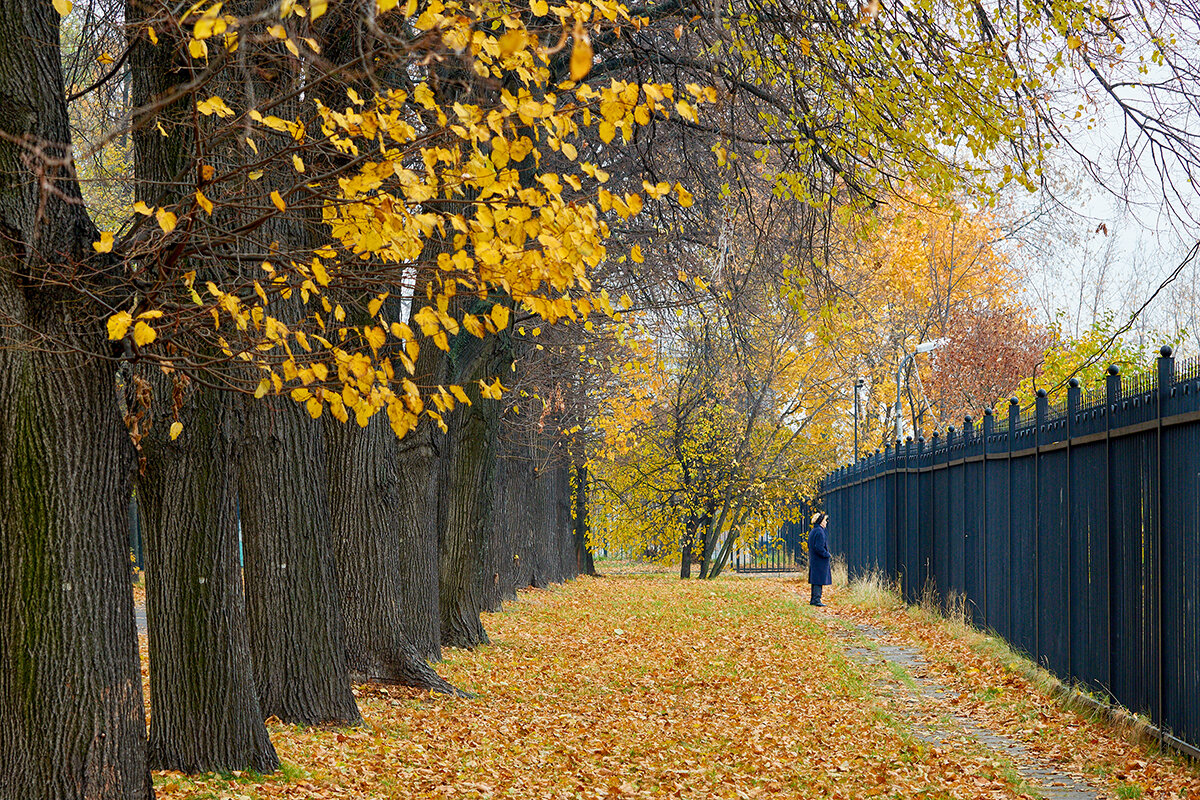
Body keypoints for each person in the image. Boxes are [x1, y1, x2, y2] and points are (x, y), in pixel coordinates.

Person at [807, 512, 831, 607]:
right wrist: (826, 554)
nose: (826, 522)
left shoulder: (813, 531)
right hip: (820, 560)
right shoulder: (820, 532)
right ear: (821, 521)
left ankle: (814, 599)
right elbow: (819, 547)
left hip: (814, 559)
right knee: (819, 580)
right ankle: (817, 599)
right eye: (825, 520)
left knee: (815, 579)